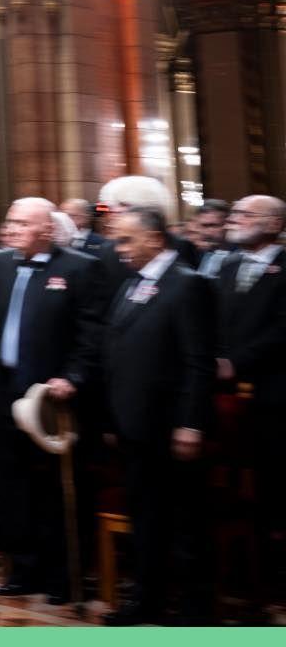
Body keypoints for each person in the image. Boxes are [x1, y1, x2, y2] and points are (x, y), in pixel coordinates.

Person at [0, 196, 103, 603]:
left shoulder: (81, 269)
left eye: (22, 223)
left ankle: (63, 575)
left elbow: (91, 335)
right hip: (6, 392)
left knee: (57, 489)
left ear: (47, 229)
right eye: (9, 221)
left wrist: (73, 377)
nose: (11, 229)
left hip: (52, 397)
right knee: (13, 485)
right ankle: (23, 568)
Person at [100, 200, 213, 626]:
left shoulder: (188, 284)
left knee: (185, 520)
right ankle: (146, 598)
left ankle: (194, 608)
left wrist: (191, 422)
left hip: (171, 426)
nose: (118, 248)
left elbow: (198, 361)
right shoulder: (132, 284)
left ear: (155, 238)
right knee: (144, 516)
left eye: (126, 240)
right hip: (134, 425)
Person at [213, 194, 284, 584]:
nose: (234, 219)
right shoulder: (228, 265)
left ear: (274, 224)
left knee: (273, 474)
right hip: (227, 391)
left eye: (245, 214)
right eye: (234, 213)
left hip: (274, 390)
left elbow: (281, 328)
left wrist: (237, 362)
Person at [189, 199, 233, 278]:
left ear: (227, 224)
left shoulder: (242, 256)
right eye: (203, 226)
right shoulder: (196, 254)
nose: (207, 232)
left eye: (213, 225)